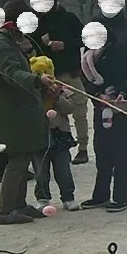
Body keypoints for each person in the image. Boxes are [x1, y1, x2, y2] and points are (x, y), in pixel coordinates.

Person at [0, 0, 59, 225]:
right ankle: (4, 211)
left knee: (22, 156)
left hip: (16, 109)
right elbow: (11, 73)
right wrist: (37, 79)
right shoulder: (0, 43)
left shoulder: (7, 41)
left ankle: (19, 204)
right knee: (18, 159)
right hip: (8, 111)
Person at [79, 0, 127, 212]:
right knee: (102, 148)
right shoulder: (89, 49)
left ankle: (121, 197)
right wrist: (97, 94)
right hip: (100, 103)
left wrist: (123, 92)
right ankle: (101, 195)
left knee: (122, 148)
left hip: (123, 101)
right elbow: (85, 75)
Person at [30, 0, 90, 165]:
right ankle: (53, 146)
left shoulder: (69, 18)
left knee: (79, 110)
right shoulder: (37, 23)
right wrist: (41, 44)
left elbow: (85, 39)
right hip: (48, 76)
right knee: (52, 113)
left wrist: (66, 44)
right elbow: (31, 47)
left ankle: (83, 148)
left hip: (70, 73)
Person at [29, 55, 81, 211]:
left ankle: (68, 197)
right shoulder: (30, 92)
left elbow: (70, 109)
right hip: (38, 135)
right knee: (40, 171)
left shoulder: (61, 88)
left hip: (60, 134)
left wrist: (57, 98)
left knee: (63, 170)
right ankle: (43, 197)